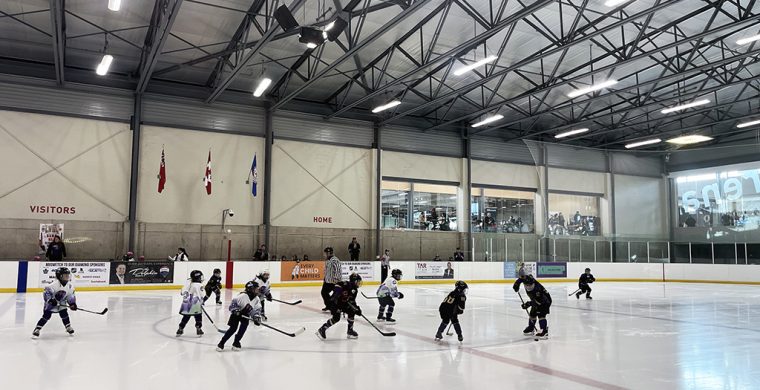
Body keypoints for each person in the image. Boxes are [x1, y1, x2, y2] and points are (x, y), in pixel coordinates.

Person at [216, 281, 262, 352]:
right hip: (237, 315)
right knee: (233, 329)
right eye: (256, 289)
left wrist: (256, 317)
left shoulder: (257, 299)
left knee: (243, 328)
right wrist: (236, 310)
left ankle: (236, 342)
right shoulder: (242, 296)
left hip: (246, 314)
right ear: (251, 289)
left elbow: (257, 309)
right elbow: (233, 305)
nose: (257, 290)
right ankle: (221, 343)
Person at [316, 273, 363, 340]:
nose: (359, 283)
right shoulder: (346, 284)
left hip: (343, 304)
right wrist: (337, 293)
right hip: (335, 303)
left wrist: (357, 309)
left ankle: (350, 331)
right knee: (336, 318)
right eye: (358, 282)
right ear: (354, 281)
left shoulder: (355, 290)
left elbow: (352, 301)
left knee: (352, 311)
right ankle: (322, 328)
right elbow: (337, 285)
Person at [33, 267, 77, 337]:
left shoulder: (70, 286)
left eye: (68, 275)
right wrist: (50, 300)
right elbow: (46, 292)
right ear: (60, 276)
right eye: (65, 275)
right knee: (46, 316)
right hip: (52, 302)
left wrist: (72, 303)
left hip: (62, 302)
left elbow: (70, 295)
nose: (67, 277)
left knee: (64, 313)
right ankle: (37, 328)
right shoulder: (53, 285)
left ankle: (68, 326)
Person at [514, 273, 552, 340]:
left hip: (545, 302)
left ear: (533, 283)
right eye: (526, 285)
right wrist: (516, 284)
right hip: (536, 300)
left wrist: (528, 304)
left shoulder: (537, 290)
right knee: (532, 314)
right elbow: (521, 279)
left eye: (530, 285)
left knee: (541, 315)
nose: (528, 287)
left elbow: (538, 302)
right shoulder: (526, 279)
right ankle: (531, 327)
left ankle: (544, 331)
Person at [176, 270, 204, 337]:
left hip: (186, 302)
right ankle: (198, 328)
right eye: (200, 277)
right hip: (195, 302)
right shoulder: (199, 285)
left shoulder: (188, 282)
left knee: (186, 316)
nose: (201, 278)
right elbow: (201, 295)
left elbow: (182, 292)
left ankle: (180, 328)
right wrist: (202, 302)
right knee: (198, 316)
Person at [321, 247, 342, 312]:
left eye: (325, 253)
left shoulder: (335, 260)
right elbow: (327, 271)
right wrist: (325, 278)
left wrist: (336, 280)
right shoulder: (328, 260)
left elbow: (338, 270)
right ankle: (329, 306)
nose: (324, 255)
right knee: (324, 293)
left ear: (329, 253)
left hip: (334, 282)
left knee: (336, 296)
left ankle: (335, 307)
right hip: (327, 281)